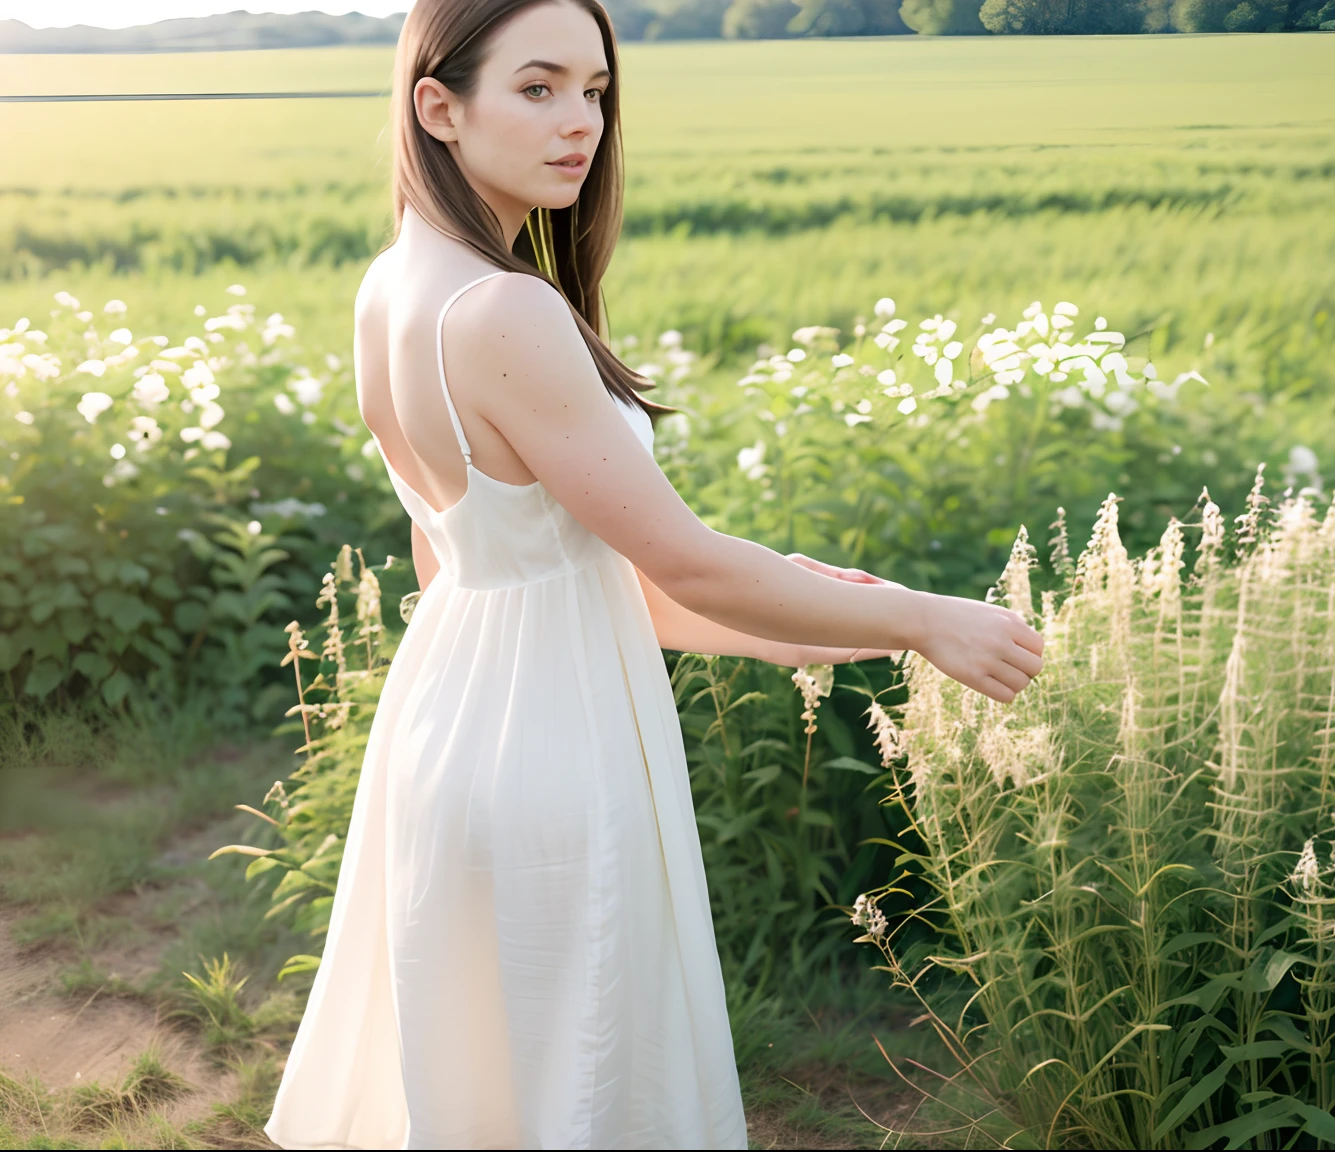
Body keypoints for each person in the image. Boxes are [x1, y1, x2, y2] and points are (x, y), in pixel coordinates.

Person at [264, 0, 1044, 1146]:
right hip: (554, 755)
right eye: (537, 88)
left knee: (484, 1089)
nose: (579, 122)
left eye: (594, 89)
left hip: (449, 730)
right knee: (581, 1087)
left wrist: (797, 622)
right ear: (439, 105)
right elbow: (677, 560)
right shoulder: (506, 308)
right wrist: (928, 620)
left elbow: (496, 564)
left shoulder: (392, 288)